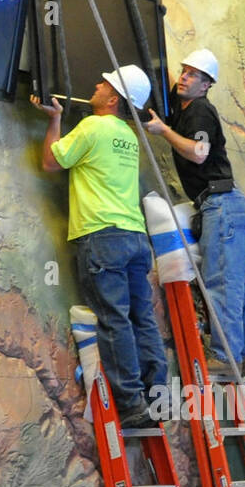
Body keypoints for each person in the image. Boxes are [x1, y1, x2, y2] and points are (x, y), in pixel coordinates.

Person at [33, 66, 168, 429]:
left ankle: (130, 403)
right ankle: (158, 396)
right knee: (142, 318)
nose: (96, 83)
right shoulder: (127, 134)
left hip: (102, 237)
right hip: (136, 238)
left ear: (113, 99)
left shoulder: (93, 127)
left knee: (114, 320)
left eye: (103, 83)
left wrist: (55, 120)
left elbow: (51, 161)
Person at [145, 49, 245, 382]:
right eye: (184, 71)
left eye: (194, 75)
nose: (184, 77)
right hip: (225, 204)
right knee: (239, 284)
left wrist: (163, 132)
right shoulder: (183, 106)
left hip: (220, 204)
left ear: (207, 85)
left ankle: (224, 358)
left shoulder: (199, 112)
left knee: (222, 283)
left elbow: (198, 153)